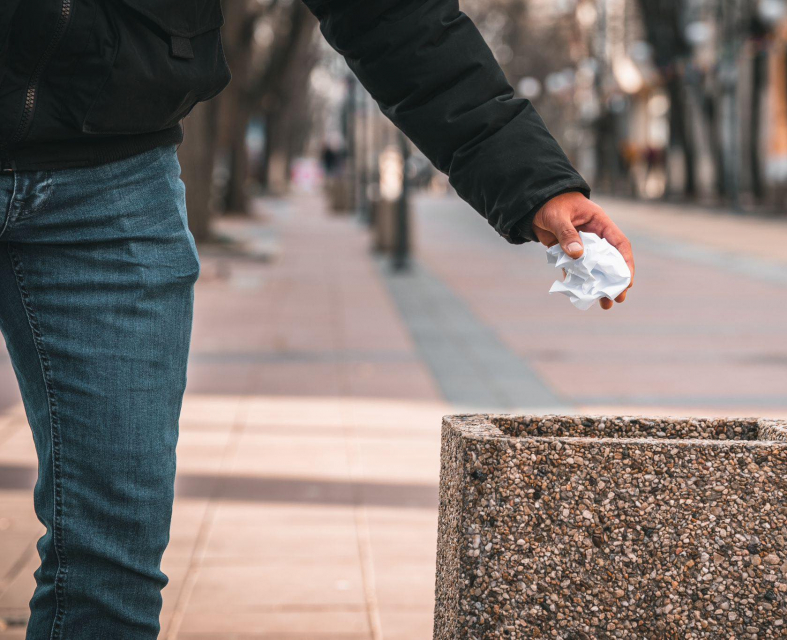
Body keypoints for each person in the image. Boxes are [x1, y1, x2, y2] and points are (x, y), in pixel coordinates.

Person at [0, 1, 635, 637]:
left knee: (111, 560)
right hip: (110, 157)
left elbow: (391, 14)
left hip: (112, 173)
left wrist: (535, 182)